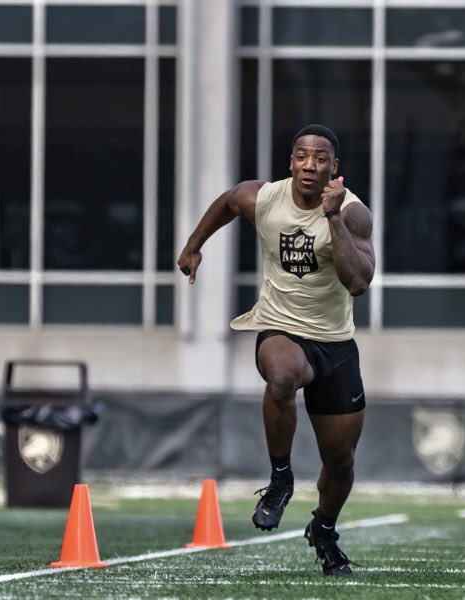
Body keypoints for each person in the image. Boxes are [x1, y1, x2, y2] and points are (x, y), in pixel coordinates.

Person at [177, 124, 375, 576]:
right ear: (291, 162)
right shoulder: (264, 198)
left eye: (320, 158)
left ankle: (324, 529)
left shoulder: (354, 214)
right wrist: (193, 246)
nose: (310, 165)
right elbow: (229, 201)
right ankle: (281, 478)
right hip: (279, 326)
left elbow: (359, 282)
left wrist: (331, 217)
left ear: (334, 168)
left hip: (335, 344)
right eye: (302, 156)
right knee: (282, 375)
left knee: (340, 462)